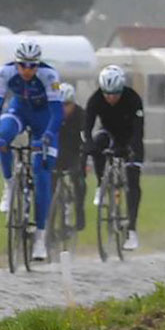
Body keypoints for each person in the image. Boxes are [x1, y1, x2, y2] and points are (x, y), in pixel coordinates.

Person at [0, 38, 64, 261]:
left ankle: (40, 237)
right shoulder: (5, 73)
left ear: (38, 65)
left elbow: (57, 113)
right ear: (16, 63)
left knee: (42, 175)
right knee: (4, 136)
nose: (28, 70)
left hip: (45, 119)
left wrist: (48, 136)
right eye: (23, 65)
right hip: (19, 110)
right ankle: (9, 184)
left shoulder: (49, 76)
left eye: (33, 66)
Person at [86, 65, 144, 250]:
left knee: (133, 180)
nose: (111, 98)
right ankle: (101, 182)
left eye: (115, 94)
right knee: (97, 143)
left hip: (129, 136)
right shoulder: (95, 99)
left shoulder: (133, 98)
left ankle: (132, 231)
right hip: (110, 133)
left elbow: (138, 128)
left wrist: (131, 149)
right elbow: (87, 126)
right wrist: (88, 144)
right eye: (107, 94)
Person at [55, 83, 89, 233]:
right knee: (47, 183)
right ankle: (49, 221)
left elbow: (86, 139)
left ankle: (79, 211)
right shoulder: (52, 114)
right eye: (60, 105)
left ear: (73, 103)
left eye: (67, 105)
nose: (64, 109)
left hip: (74, 153)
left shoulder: (81, 115)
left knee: (78, 180)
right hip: (56, 153)